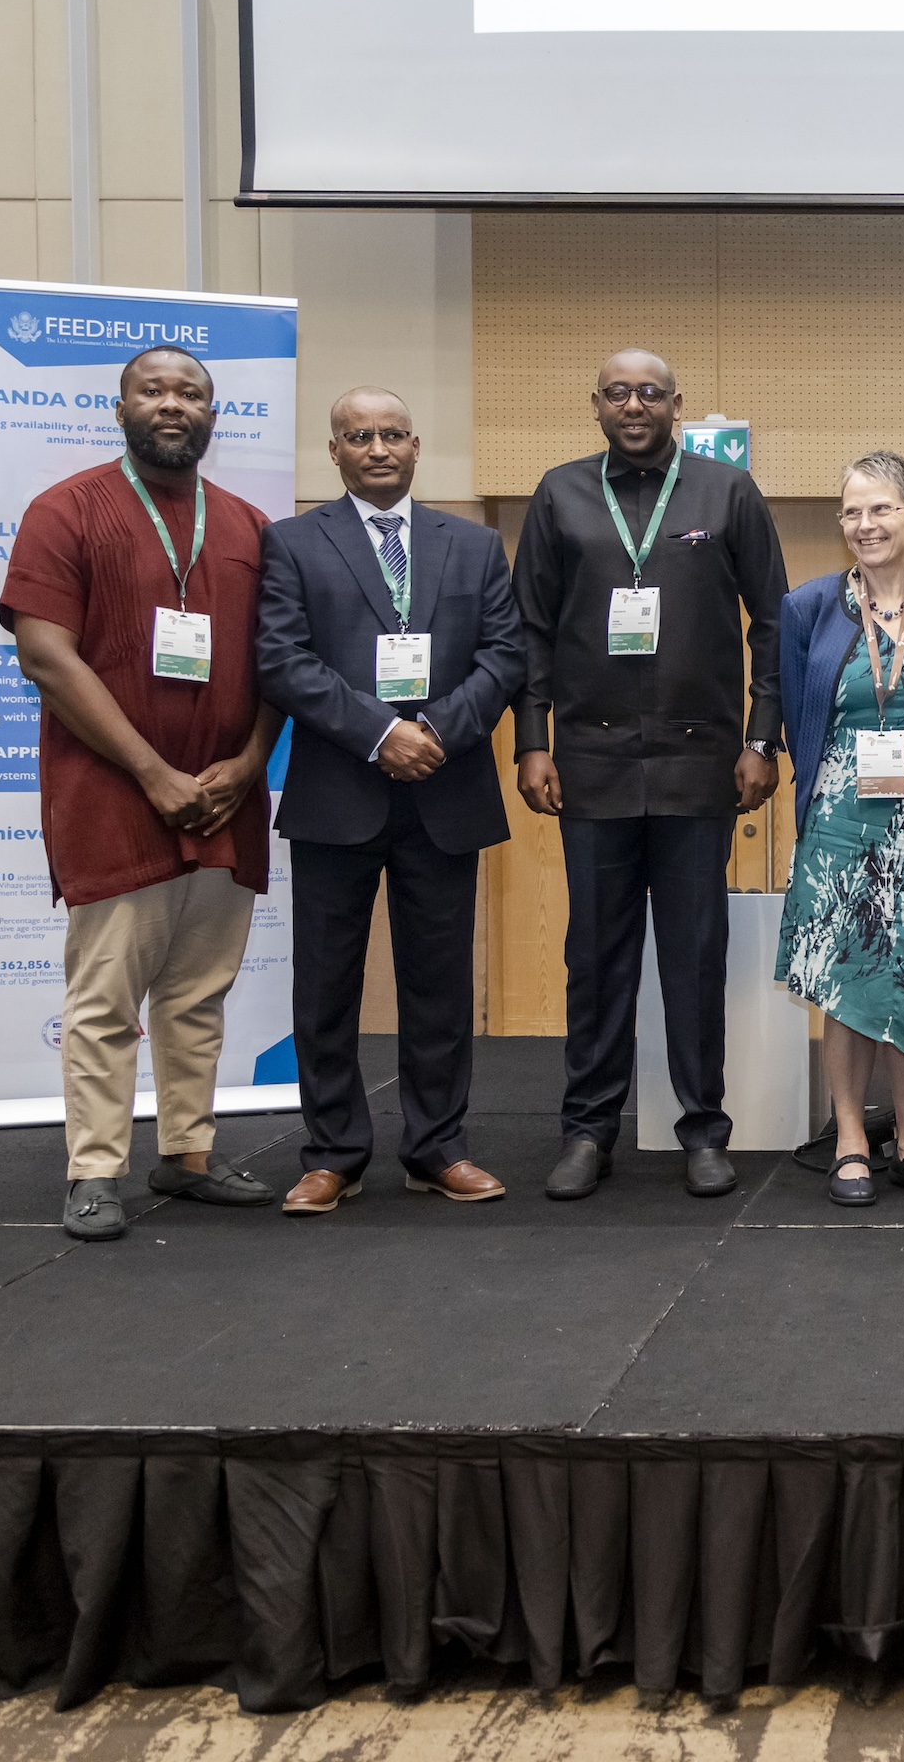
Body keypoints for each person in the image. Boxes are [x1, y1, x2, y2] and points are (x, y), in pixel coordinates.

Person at [1, 346, 283, 1240]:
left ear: (212, 416)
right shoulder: (65, 511)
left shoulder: (248, 526)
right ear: (120, 407)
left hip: (226, 797)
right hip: (114, 795)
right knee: (105, 999)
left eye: (189, 393)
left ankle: (188, 1154)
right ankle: (95, 1170)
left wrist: (250, 762)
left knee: (199, 991)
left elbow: (282, 661)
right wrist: (153, 773)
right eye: (152, 390)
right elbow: (45, 655)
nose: (171, 404)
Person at [511, 348, 789, 1200]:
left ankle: (703, 1128)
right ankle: (587, 1132)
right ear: (594, 404)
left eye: (650, 393)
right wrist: (531, 741)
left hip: (699, 764)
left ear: (676, 404)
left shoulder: (726, 492)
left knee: (695, 955)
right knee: (595, 958)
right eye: (618, 393)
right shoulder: (558, 493)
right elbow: (530, 629)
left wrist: (762, 739)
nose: (634, 405)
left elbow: (773, 624)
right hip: (589, 762)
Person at [255, 388, 525, 1215]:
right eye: (358, 435)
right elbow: (281, 659)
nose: (377, 448)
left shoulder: (473, 546)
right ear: (333, 452)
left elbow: (505, 655)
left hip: (444, 789)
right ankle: (332, 1154)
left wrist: (433, 731)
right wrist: (380, 734)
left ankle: (437, 1149)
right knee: (325, 985)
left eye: (393, 434)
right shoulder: (292, 543)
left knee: (439, 985)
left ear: (415, 447)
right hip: (337, 791)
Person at [776, 453, 904, 1209]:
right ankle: (849, 1141)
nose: (866, 525)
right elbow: (798, 714)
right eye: (853, 512)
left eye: (882, 509)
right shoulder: (807, 607)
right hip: (842, 821)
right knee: (848, 978)